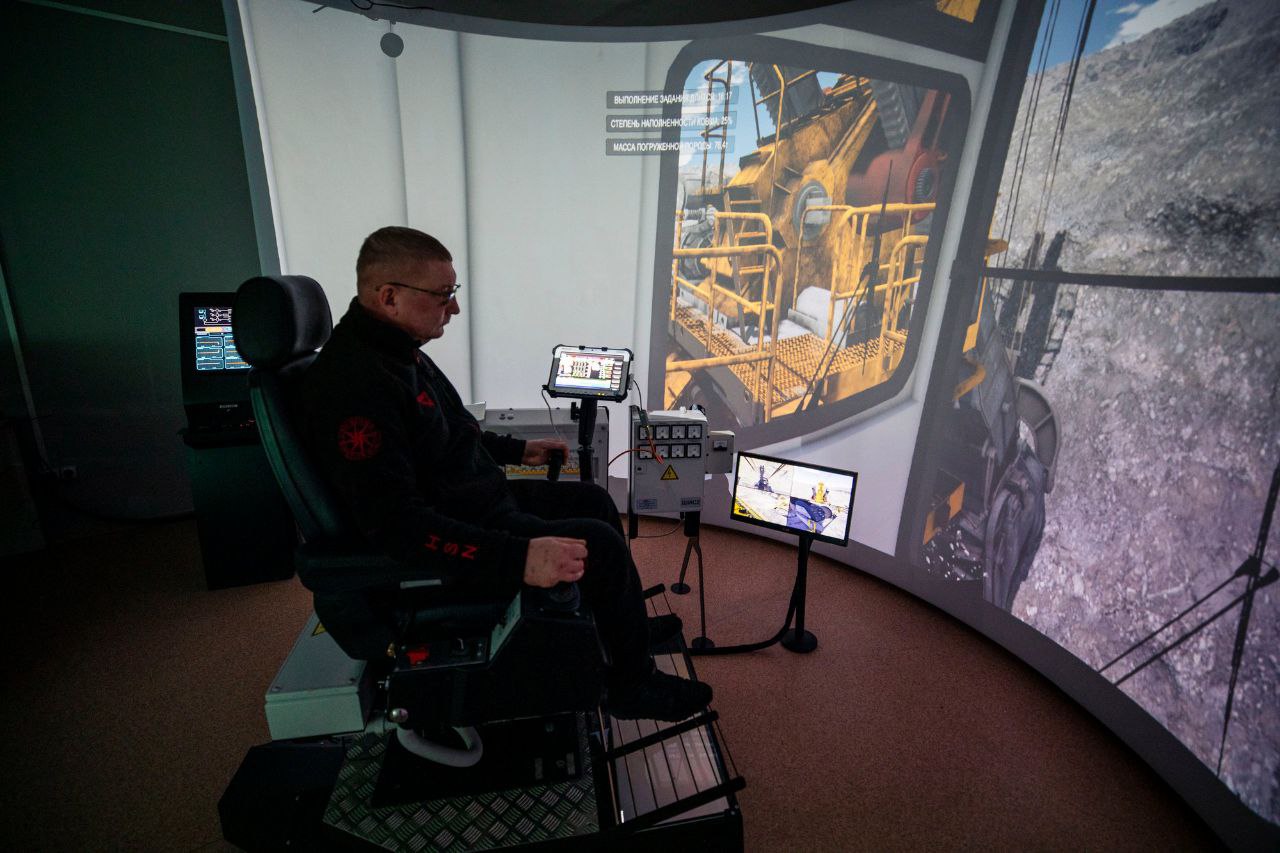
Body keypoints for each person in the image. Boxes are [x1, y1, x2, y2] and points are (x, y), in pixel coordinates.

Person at [298, 226, 712, 722]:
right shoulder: (354, 387)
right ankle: (631, 686)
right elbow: (397, 527)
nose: (454, 308)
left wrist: (517, 449)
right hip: (454, 532)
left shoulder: (394, 350)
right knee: (598, 544)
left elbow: (447, 431)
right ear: (389, 297)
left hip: (472, 499)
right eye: (443, 295)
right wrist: (519, 558)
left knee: (595, 501)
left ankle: (624, 631)